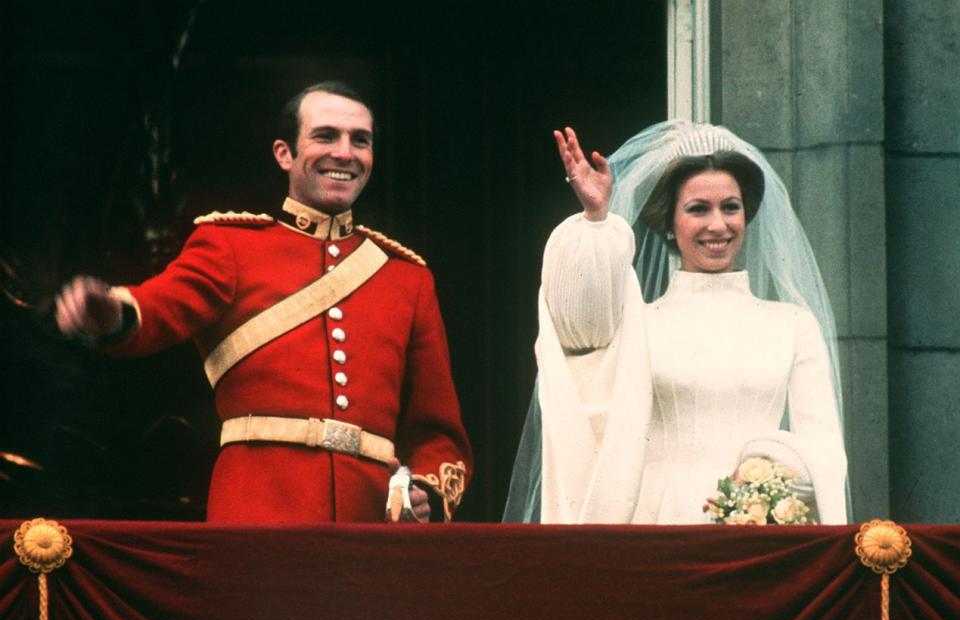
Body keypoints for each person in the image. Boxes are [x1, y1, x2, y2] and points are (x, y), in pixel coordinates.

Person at [55, 81, 472, 524]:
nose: (345, 153)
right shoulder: (230, 246)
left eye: (360, 141)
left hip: (368, 526)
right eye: (326, 136)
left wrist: (426, 488)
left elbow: (438, 429)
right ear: (284, 154)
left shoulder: (408, 279)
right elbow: (158, 308)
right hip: (256, 514)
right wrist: (110, 313)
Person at [504, 120, 848, 525]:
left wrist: (761, 474)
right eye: (698, 209)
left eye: (730, 207)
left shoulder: (792, 325)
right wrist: (597, 219)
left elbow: (823, 449)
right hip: (657, 528)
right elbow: (576, 334)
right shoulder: (639, 325)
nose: (717, 225)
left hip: (759, 535)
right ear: (670, 221)